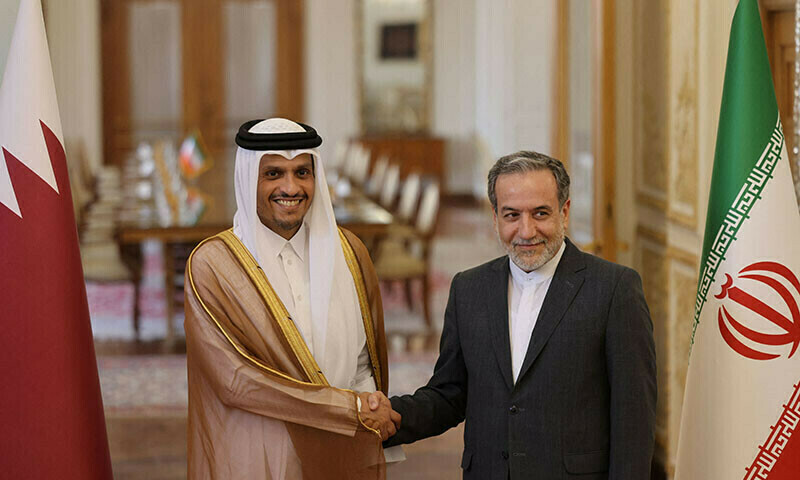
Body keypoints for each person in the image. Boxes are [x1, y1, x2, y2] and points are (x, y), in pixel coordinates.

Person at [373, 150, 657, 479]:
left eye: (540, 213)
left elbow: (633, 420)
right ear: (494, 217)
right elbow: (451, 394)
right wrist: (392, 416)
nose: (526, 231)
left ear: (564, 213)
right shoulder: (469, 289)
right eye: (511, 215)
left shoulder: (614, 289)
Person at [184, 118, 402, 480]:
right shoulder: (213, 266)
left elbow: (365, 362)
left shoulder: (349, 253)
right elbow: (236, 380)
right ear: (248, 178)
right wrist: (350, 409)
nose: (291, 187)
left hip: (344, 448)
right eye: (273, 174)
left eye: (302, 171)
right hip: (260, 452)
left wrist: (369, 407)